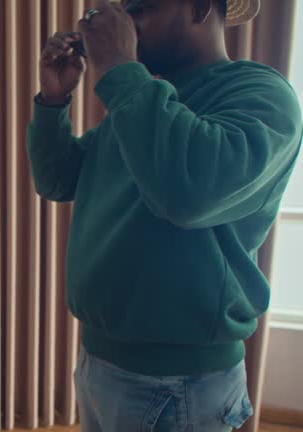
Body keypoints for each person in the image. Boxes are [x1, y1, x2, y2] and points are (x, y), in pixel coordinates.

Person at [27, 0, 302, 430]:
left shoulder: (262, 95)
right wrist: (53, 100)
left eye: (141, 9)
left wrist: (121, 70)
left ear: (200, 8)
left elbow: (188, 190)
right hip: (100, 360)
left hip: (181, 381)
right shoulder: (144, 100)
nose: (126, 24)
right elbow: (58, 179)